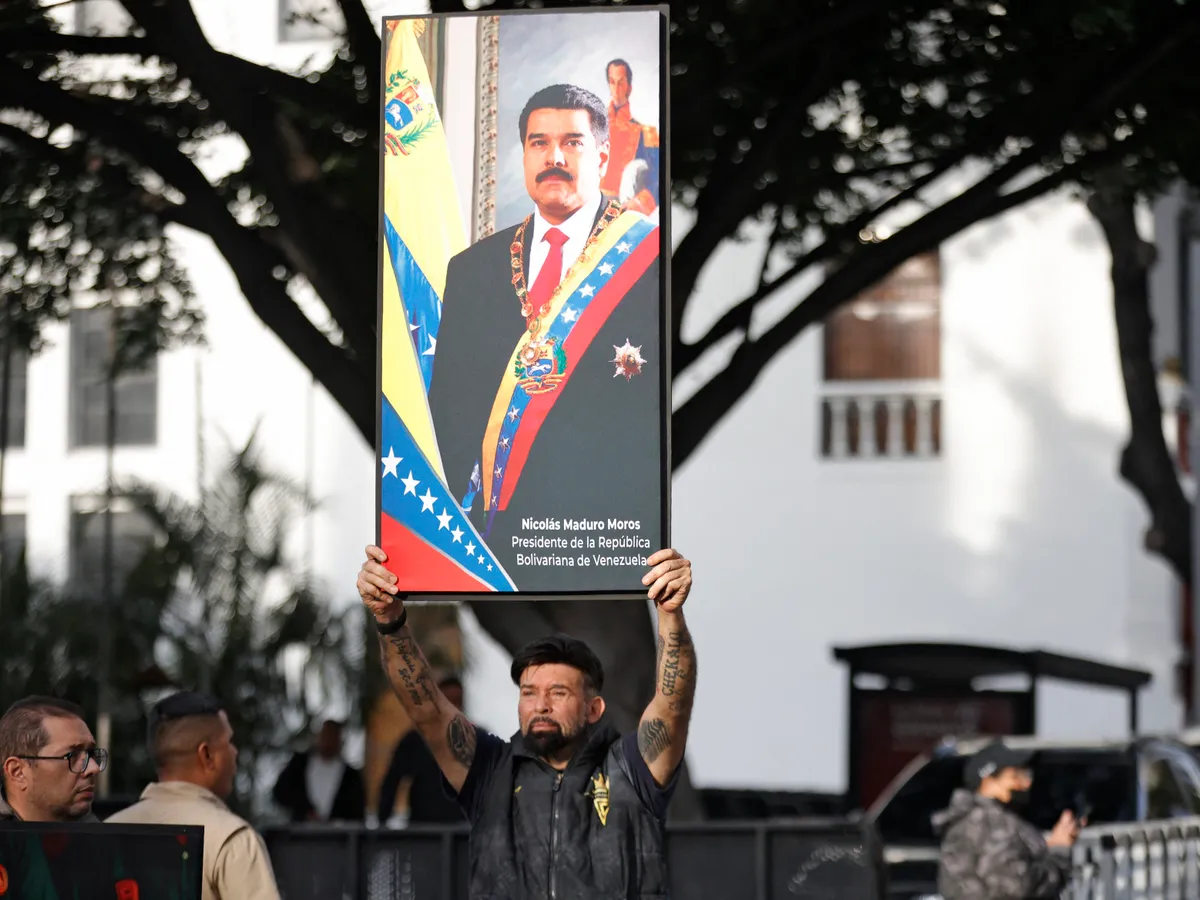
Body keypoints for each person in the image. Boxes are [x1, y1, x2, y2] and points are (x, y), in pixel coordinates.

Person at [356, 542, 697, 898]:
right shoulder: (489, 771)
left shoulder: (632, 771)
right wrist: (389, 620)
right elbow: (426, 708)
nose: (541, 705)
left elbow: (672, 707)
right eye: (529, 692)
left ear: (594, 709)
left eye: (559, 692)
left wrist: (671, 614)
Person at [426, 83, 662, 590]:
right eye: (538, 143)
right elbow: (448, 408)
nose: (554, 157)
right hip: (494, 537)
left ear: (602, 156)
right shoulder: (472, 269)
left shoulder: (648, 261)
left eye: (572, 142)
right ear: (524, 155)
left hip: (602, 535)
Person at [106, 691, 282, 900]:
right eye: (229, 742)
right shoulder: (231, 838)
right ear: (206, 755)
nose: (235, 752)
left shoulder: (105, 832)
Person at [933, 742, 1080, 900]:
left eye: (1027, 774)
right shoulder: (989, 822)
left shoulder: (972, 820)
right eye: (1016, 775)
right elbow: (1016, 886)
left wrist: (1046, 849)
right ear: (988, 781)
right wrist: (1059, 852)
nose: (1026, 783)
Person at [376, 675, 468, 825]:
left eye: (458, 701)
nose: (454, 707)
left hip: (462, 833)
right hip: (424, 831)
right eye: (448, 701)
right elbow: (392, 782)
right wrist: (381, 825)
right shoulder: (414, 741)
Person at [0, 695, 104, 822]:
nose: (94, 768)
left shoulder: (100, 837)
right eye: (72, 755)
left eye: (90, 753)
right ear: (18, 772)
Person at [271, 719, 365, 823]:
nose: (328, 741)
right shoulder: (298, 765)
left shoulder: (351, 776)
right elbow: (280, 793)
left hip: (337, 836)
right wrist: (304, 810)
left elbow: (358, 811)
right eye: (326, 735)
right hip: (300, 834)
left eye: (333, 736)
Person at [600, 58, 660, 215]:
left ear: (629, 87)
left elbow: (658, 175)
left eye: (621, 82)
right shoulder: (592, 128)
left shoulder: (646, 133)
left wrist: (640, 202)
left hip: (624, 211)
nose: (617, 88)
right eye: (612, 82)